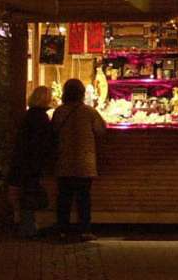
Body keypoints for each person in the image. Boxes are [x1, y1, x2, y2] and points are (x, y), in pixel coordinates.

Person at [52, 78, 106, 240]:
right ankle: (84, 230)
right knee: (84, 197)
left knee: (64, 198)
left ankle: (62, 230)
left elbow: (54, 130)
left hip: (64, 160)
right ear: (82, 93)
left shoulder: (59, 111)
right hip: (85, 162)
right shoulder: (90, 112)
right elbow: (101, 130)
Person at [7, 86, 55, 238]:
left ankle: (27, 227)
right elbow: (44, 141)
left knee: (27, 192)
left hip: (22, 160)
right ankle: (28, 229)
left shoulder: (28, 115)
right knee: (31, 194)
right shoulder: (42, 117)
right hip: (32, 162)